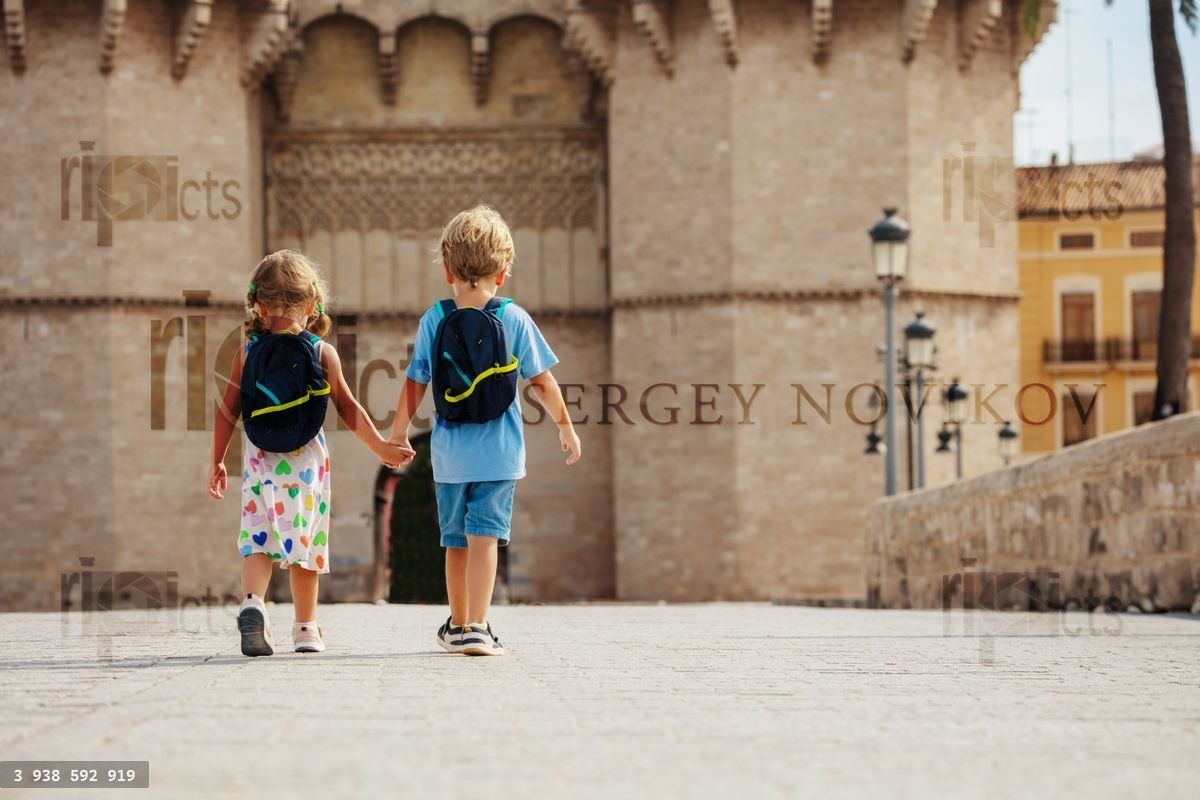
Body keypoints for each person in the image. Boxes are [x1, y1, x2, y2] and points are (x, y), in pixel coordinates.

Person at [389, 206, 581, 656]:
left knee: (454, 542)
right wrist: (566, 426)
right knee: (485, 539)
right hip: (499, 453)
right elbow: (542, 382)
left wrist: (398, 434)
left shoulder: (434, 319)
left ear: (448, 270)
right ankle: (478, 625)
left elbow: (415, 382)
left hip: (450, 455)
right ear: (503, 272)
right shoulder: (513, 318)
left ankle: (457, 625)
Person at [208, 250, 410, 657]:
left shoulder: (247, 352)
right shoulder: (321, 352)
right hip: (305, 463)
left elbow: (228, 410)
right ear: (313, 305)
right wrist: (383, 450)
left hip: (260, 460)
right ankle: (305, 629)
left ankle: (253, 602)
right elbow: (349, 409)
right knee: (306, 543)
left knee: (258, 540)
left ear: (259, 307)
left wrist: (216, 460)